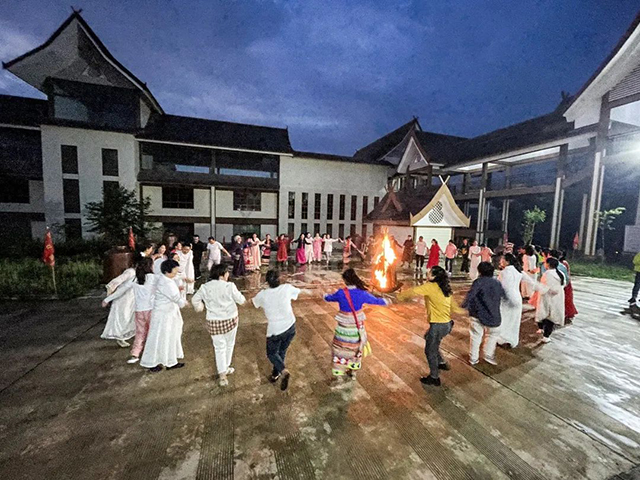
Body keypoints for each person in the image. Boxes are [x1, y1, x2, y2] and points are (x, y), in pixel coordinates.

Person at [398, 266, 460, 386]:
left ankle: (434, 377)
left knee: (429, 350)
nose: (428, 273)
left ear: (434, 276)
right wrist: (460, 310)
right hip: (447, 324)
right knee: (429, 338)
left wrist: (399, 297)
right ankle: (441, 362)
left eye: (430, 272)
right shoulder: (445, 288)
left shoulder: (430, 287)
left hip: (437, 325)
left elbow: (413, 291)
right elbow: (453, 305)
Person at [324, 269, 389, 378]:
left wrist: (323, 294)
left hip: (343, 328)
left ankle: (339, 372)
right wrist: (387, 301)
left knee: (341, 350)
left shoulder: (341, 293)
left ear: (345, 280)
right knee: (355, 349)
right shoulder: (362, 293)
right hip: (356, 328)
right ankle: (353, 371)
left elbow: (328, 298)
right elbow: (375, 300)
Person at [192, 264, 246, 386]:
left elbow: (195, 300)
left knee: (219, 347)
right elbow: (241, 300)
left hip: (213, 321)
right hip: (230, 319)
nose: (228, 275)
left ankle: (222, 375)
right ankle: (225, 367)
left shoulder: (205, 287)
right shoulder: (230, 286)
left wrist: (200, 307)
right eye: (227, 273)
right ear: (222, 274)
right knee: (229, 344)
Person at [252, 270, 301, 390]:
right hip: (290, 326)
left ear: (267, 282)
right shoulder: (286, 288)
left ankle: (283, 371)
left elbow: (253, 303)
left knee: (272, 353)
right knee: (282, 351)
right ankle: (275, 373)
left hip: (275, 330)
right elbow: (299, 292)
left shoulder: (263, 294)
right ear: (279, 280)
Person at [102, 257, 157, 364]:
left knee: (140, 333)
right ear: (149, 266)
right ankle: (151, 354)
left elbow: (121, 290)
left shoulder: (136, 279)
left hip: (139, 311)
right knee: (152, 333)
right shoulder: (153, 278)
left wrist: (107, 299)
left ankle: (135, 354)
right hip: (150, 310)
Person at [140, 259, 188, 372]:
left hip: (168, 313)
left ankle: (170, 361)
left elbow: (175, 280)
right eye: (175, 271)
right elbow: (176, 298)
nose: (176, 273)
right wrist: (185, 303)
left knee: (170, 337)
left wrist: (182, 279)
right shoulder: (166, 282)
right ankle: (152, 362)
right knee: (158, 338)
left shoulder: (165, 278)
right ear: (167, 271)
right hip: (163, 315)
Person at [463, 262, 508, 365]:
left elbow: (471, 296)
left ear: (480, 271)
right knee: (493, 335)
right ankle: (488, 355)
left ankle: (474, 358)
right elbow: (504, 296)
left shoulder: (478, 282)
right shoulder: (497, 283)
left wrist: (463, 306)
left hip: (477, 314)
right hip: (493, 315)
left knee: (476, 335)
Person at [101, 263, 136, 348]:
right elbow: (120, 284)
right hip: (123, 300)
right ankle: (120, 337)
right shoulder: (131, 272)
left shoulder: (139, 274)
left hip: (131, 299)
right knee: (123, 318)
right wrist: (108, 297)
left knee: (129, 319)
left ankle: (123, 336)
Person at [497, 253, 527, 348]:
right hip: (517, 297)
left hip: (507, 298)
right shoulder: (519, 271)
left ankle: (502, 339)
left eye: (502, 259)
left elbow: (503, 287)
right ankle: (512, 340)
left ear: (507, 261)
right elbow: (531, 281)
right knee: (514, 320)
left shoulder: (504, 272)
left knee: (504, 319)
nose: (500, 261)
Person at [533, 257, 565, 343]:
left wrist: (538, 288)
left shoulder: (547, 274)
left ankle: (544, 333)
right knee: (551, 317)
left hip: (547, 297)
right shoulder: (560, 274)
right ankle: (546, 335)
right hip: (557, 298)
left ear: (548, 264)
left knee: (544, 314)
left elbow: (545, 286)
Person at [558, 251, 578, 322]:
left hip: (564, 282)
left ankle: (567, 312)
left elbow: (567, 273)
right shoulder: (562, 263)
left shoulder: (563, 264)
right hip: (564, 282)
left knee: (566, 299)